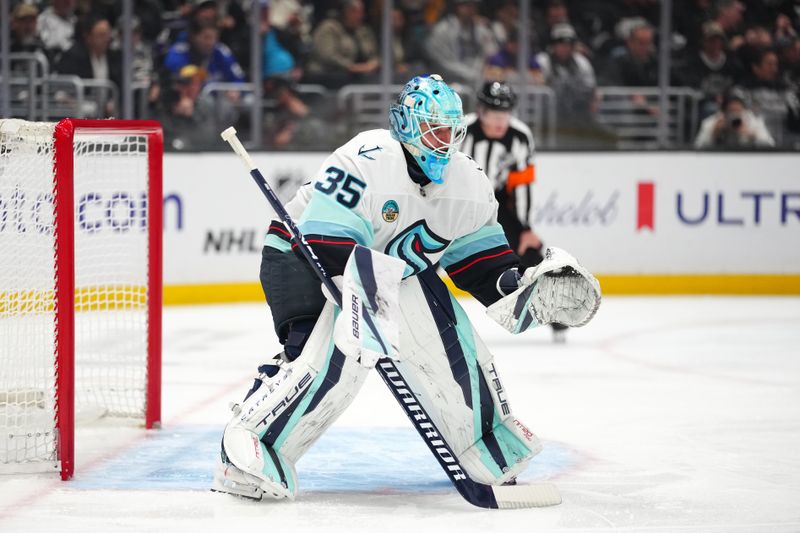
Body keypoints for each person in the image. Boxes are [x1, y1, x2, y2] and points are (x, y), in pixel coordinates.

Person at [212, 74, 600, 501]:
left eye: (451, 131)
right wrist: (368, 304)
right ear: (406, 126)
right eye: (434, 130)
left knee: (445, 340)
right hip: (299, 256)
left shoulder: (468, 183)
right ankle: (251, 444)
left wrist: (520, 286)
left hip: (390, 273)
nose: (444, 142)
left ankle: (482, 442)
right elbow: (326, 241)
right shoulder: (365, 158)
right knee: (321, 354)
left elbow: (481, 266)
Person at [461, 81, 568, 343]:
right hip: (459, 198)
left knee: (527, 250)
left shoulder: (519, 136)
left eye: (506, 114)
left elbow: (522, 185)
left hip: (496, 200)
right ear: (481, 111)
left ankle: (555, 314)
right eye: (495, 114)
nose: (501, 121)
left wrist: (525, 228)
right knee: (432, 250)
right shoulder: (462, 131)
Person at [694, 86, 775, 148]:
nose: (735, 115)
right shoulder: (711, 122)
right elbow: (697, 147)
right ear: (723, 111)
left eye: (738, 111)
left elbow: (770, 145)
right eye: (731, 111)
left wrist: (752, 135)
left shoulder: (753, 121)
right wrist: (713, 134)